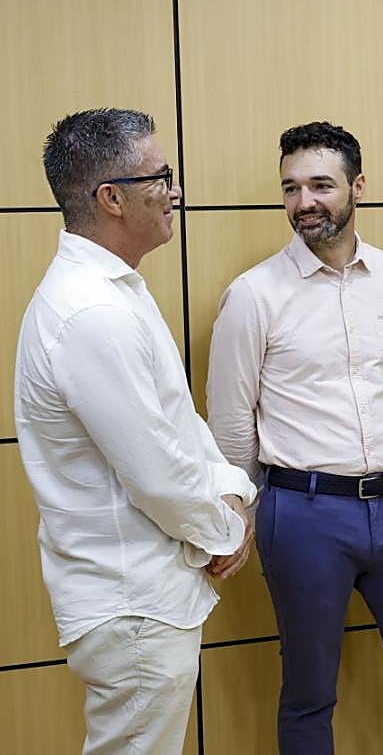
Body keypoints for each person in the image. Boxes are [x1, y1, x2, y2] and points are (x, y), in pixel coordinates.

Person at [206, 121, 383, 754]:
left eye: (321, 184)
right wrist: (249, 514)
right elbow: (232, 428)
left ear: (358, 188)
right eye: (291, 188)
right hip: (303, 513)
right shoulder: (254, 295)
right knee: (308, 694)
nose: (304, 202)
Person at [14, 108, 256, 754]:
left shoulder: (118, 289)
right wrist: (223, 529)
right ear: (111, 198)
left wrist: (231, 490)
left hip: (147, 598)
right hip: (133, 604)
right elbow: (157, 474)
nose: (175, 190)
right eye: (161, 174)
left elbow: (177, 422)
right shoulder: (90, 309)